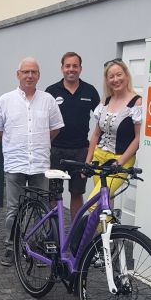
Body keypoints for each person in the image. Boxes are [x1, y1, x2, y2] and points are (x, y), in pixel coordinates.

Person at [0, 57, 64, 266]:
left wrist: (40, 143)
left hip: (40, 163)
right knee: (14, 208)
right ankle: (10, 246)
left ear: (39, 75)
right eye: (25, 72)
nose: (29, 76)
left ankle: (39, 246)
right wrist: (13, 143)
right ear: (18, 74)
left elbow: (56, 128)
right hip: (16, 163)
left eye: (34, 72)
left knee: (41, 206)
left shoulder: (48, 99)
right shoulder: (5, 100)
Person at [46, 52, 100, 218]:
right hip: (55, 150)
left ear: (80, 68)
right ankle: (53, 233)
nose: (71, 69)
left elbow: (102, 119)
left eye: (75, 66)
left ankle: (75, 234)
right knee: (54, 193)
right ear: (62, 68)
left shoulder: (90, 91)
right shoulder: (51, 91)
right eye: (68, 66)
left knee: (77, 193)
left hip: (80, 151)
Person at [84, 58, 142, 203]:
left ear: (126, 76)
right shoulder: (106, 100)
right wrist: (88, 161)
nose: (116, 79)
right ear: (107, 80)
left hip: (120, 159)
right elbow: (96, 134)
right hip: (99, 158)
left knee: (95, 203)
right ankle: (109, 227)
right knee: (105, 204)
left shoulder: (136, 102)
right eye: (111, 76)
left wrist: (119, 163)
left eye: (119, 75)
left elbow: (138, 138)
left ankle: (97, 227)